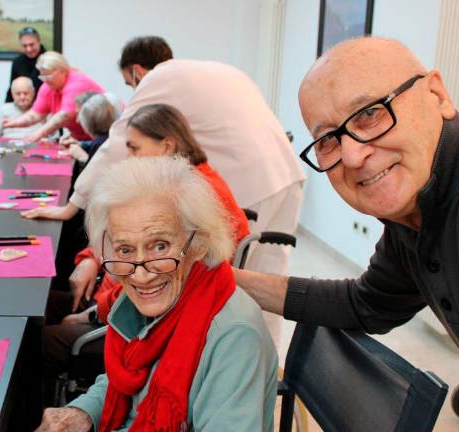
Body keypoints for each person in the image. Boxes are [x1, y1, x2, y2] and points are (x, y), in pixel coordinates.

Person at [234, 37, 459, 431]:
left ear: (437, 95)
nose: (354, 156)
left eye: (370, 114)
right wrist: (228, 281)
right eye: (328, 140)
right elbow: (365, 304)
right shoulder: (413, 219)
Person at [22, 36, 305, 346]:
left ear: (137, 72)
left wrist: (71, 206)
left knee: (249, 290)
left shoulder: (162, 85)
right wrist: (93, 256)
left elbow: (114, 146)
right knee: (263, 290)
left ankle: (247, 368)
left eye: (131, 84)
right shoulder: (208, 72)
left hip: (249, 184)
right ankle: (261, 366)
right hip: (283, 171)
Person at [36, 156, 278, 431]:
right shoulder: (153, 297)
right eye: (125, 250)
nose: (141, 274)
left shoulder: (234, 335)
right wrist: (83, 412)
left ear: (198, 243)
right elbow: (126, 379)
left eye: (160, 246)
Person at [42, 105, 252, 404]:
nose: (130, 158)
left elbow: (161, 282)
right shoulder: (170, 190)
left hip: (134, 315)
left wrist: (90, 313)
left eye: (135, 148)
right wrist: (91, 256)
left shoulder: (190, 195)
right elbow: (126, 233)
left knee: (34, 341)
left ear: (167, 145)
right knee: (39, 307)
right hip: (117, 299)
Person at [2, 51, 104, 143]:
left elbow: (64, 116)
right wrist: (14, 123)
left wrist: (38, 134)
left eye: (48, 76)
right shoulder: (47, 87)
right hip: (82, 138)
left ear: (61, 71)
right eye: (42, 76)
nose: (44, 80)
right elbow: (35, 114)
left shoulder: (76, 82)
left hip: (102, 136)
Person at [5, 26, 46, 103]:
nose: (28, 49)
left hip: (45, 106)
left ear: (39, 42)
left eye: (31, 45)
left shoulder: (49, 59)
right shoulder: (17, 62)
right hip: (22, 106)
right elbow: (12, 89)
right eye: (25, 46)